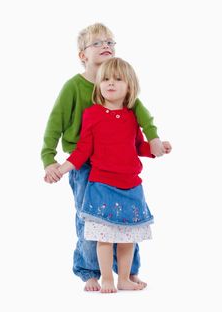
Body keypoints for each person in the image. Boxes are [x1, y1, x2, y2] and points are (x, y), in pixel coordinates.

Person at [41, 23, 168, 291]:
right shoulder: (74, 88)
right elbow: (55, 124)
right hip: (84, 162)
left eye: (110, 42)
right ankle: (90, 271)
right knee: (91, 220)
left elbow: (143, 121)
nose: (106, 46)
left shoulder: (124, 91)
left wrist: (154, 142)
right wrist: (50, 159)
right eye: (97, 43)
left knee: (127, 220)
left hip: (120, 168)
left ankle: (128, 272)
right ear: (82, 55)